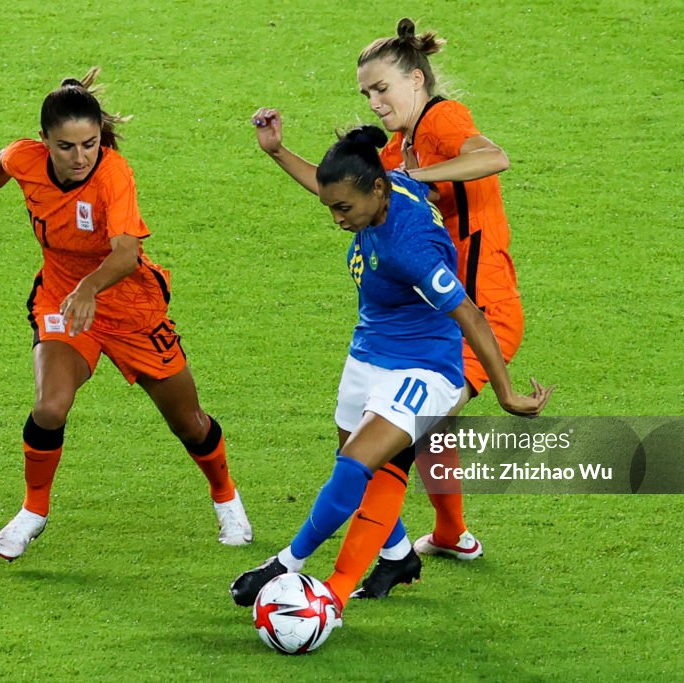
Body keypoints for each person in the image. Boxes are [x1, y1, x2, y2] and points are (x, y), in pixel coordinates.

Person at [249, 17, 522, 598]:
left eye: (381, 89)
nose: (374, 103)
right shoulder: (395, 148)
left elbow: (492, 157)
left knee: (384, 455)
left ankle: (338, 590)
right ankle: (447, 534)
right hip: (433, 312)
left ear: (418, 80)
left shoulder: (440, 119)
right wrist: (278, 153)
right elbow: (345, 192)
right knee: (417, 432)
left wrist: (413, 179)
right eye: (366, 94)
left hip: (476, 311)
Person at [229, 126, 552, 612]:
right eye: (331, 207)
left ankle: (288, 566)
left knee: (354, 467)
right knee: (358, 463)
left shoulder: (410, 247)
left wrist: (505, 392)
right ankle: (399, 556)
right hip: (369, 350)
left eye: (343, 209)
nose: (337, 219)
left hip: (424, 369)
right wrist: (277, 152)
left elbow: (468, 313)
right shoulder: (392, 180)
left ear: (376, 190)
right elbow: (328, 183)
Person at [0, 68, 252, 561]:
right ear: (44, 140)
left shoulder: (113, 174)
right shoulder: (26, 157)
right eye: (66, 147)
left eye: (89, 144)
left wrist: (91, 287)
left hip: (131, 308)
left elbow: (127, 253)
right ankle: (33, 511)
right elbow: (2, 164)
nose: (80, 156)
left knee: (189, 423)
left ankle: (227, 499)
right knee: (50, 407)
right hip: (63, 300)